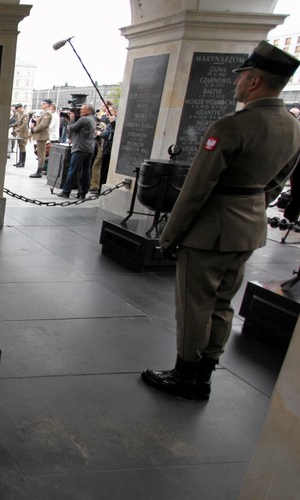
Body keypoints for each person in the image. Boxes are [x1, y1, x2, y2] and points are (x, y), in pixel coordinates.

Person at [142, 41, 300, 402]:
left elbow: (196, 188)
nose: (236, 83)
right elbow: (277, 182)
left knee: (195, 303)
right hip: (249, 229)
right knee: (223, 302)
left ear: (255, 81)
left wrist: (170, 235)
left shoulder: (232, 126)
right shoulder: (293, 128)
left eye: (241, 77)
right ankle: (205, 373)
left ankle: (185, 375)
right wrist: (251, 206)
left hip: (210, 230)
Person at [56, 104, 96, 199]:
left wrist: (71, 120)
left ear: (89, 111)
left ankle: (66, 191)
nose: (80, 110)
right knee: (86, 171)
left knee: (73, 170)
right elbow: (83, 132)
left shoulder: (84, 119)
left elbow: (71, 128)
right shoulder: (92, 119)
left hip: (80, 148)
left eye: (83, 109)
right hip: (89, 148)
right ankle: (83, 192)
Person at [29, 99, 53, 178]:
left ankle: (39, 171)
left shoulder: (47, 113)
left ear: (47, 104)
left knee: (41, 154)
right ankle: (39, 170)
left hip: (42, 136)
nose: (42, 105)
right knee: (40, 153)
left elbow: (43, 125)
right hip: (40, 135)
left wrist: (34, 130)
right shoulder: (44, 112)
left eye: (43, 103)